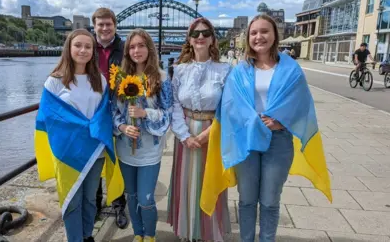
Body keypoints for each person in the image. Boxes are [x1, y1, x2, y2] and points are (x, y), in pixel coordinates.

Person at [204, 14, 332, 242]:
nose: (258, 37)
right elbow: (230, 105)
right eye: (253, 33)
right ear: (248, 38)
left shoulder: (291, 68)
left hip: (279, 140)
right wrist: (250, 121)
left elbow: (301, 104)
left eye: (264, 31)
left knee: (270, 201)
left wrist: (281, 121)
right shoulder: (240, 70)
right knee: (246, 200)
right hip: (247, 140)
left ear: (274, 35)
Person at [35, 29, 123, 242]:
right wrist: (80, 127)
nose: (83, 50)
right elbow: (48, 117)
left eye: (88, 46)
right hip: (68, 152)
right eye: (78, 45)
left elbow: (103, 113)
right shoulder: (55, 81)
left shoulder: (99, 80)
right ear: (69, 48)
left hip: (94, 149)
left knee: (91, 198)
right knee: (72, 199)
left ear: (93, 51)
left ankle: (87, 235)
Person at [168, 17, 231, 241]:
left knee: (209, 180)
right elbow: (174, 104)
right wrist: (184, 135)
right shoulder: (179, 70)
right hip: (185, 131)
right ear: (190, 39)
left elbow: (228, 108)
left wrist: (208, 133)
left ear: (213, 39)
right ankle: (187, 230)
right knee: (186, 182)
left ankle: (209, 232)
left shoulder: (224, 70)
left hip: (213, 132)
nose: (200, 37)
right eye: (195, 34)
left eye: (205, 33)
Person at [112, 28, 173, 242]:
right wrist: (122, 128)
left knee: (146, 198)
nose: (136, 50)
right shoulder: (120, 78)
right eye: (132, 47)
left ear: (149, 48)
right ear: (127, 51)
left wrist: (144, 113)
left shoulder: (161, 78)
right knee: (132, 196)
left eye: (141, 45)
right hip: (126, 147)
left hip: (150, 149)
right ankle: (138, 235)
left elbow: (168, 113)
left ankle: (150, 236)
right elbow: (114, 112)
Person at [92, 7, 128, 228]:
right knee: (93, 162)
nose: (105, 28)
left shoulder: (124, 49)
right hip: (93, 113)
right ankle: (95, 204)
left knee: (117, 162)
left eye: (109, 24)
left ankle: (118, 205)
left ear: (115, 25)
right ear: (94, 26)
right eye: (100, 24)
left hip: (118, 113)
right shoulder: (87, 48)